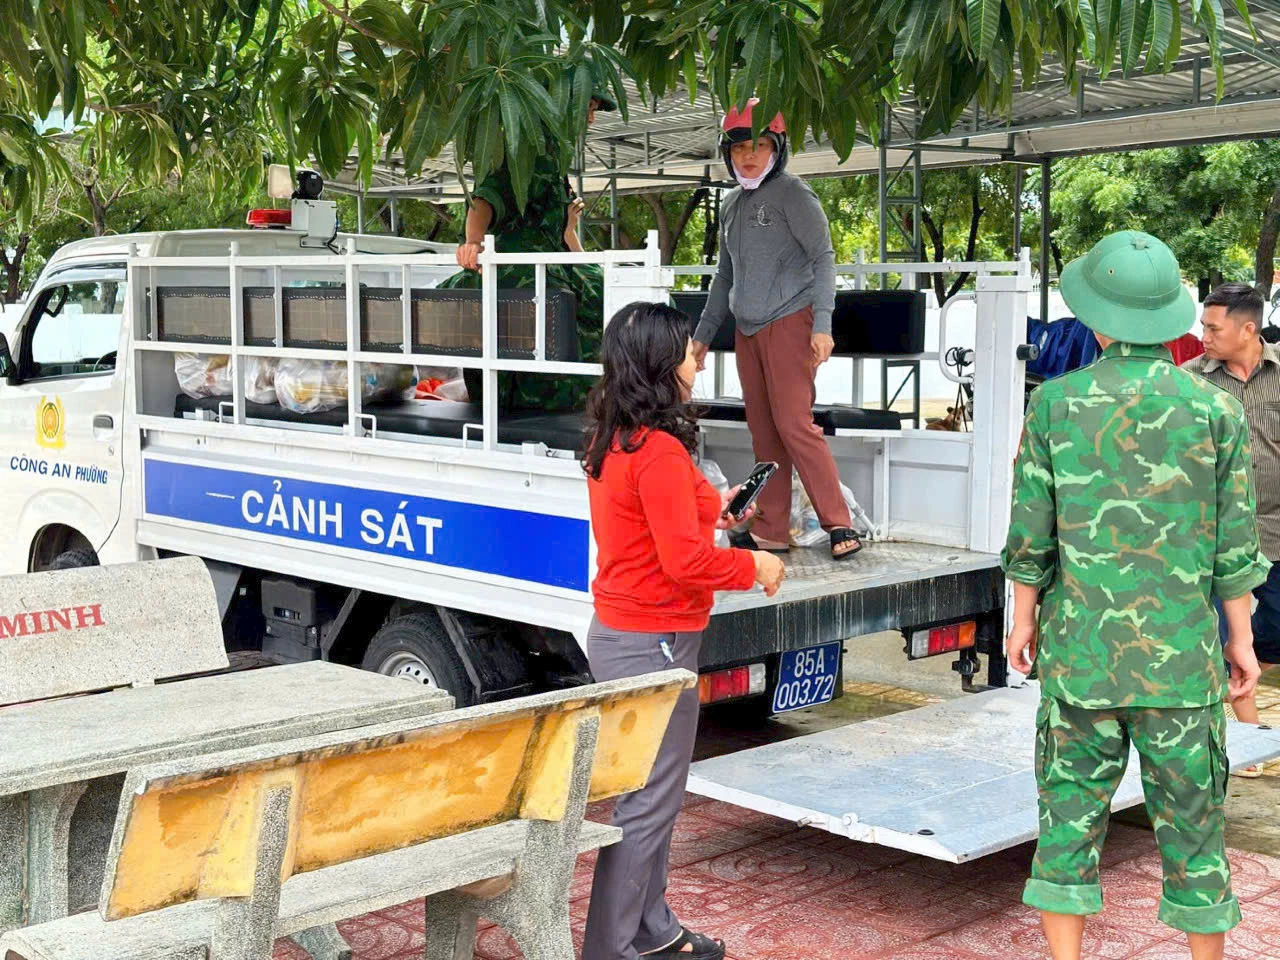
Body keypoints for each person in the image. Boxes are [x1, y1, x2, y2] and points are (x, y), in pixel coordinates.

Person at [1003, 230, 1268, 960]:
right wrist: (1239, 643)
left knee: (1067, 825)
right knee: (1195, 835)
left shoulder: (1056, 404)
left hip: (1082, 663)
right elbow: (1235, 548)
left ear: (1100, 319)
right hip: (1182, 668)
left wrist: (1022, 620)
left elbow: (1031, 534)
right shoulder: (1216, 410)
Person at [581, 301, 785, 960]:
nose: (698, 357)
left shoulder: (620, 438)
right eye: (688, 349)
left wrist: (723, 509)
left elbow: (690, 512)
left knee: (655, 798)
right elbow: (687, 561)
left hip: (629, 634)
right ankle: (613, 949)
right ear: (660, 363)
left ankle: (653, 928)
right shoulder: (659, 451)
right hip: (653, 642)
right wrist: (755, 565)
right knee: (646, 804)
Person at [691, 98, 860, 561]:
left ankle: (838, 522)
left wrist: (822, 326)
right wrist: (703, 336)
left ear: (777, 150)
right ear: (728, 153)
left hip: (791, 319)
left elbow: (824, 258)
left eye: (761, 145)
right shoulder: (730, 206)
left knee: (793, 424)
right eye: (741, 146)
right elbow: (723, 277)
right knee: (763, 431)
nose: (750, 154)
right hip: (747, 329)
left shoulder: (792, 194)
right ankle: (771, 529)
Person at [447, 88, 612, 411]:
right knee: (563, 311)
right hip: (521, 263)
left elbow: (558, 232)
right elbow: (484, 198)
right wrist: (473, 243)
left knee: (614, 298)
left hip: (551, 259)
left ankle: (600, 398)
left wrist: (568, 234)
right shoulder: (528, 148)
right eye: (587, 108)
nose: (591, 119)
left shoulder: (553, 154)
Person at [1182, 281, 1280, 774]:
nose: (1204, 335)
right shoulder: (1190, 380)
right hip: (1215, 536)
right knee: (1226, 636)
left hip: (1278, 528)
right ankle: (1244, 736)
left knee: (1267, 633)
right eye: (1203, 325)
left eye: (1213, 328)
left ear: (1248, 329)